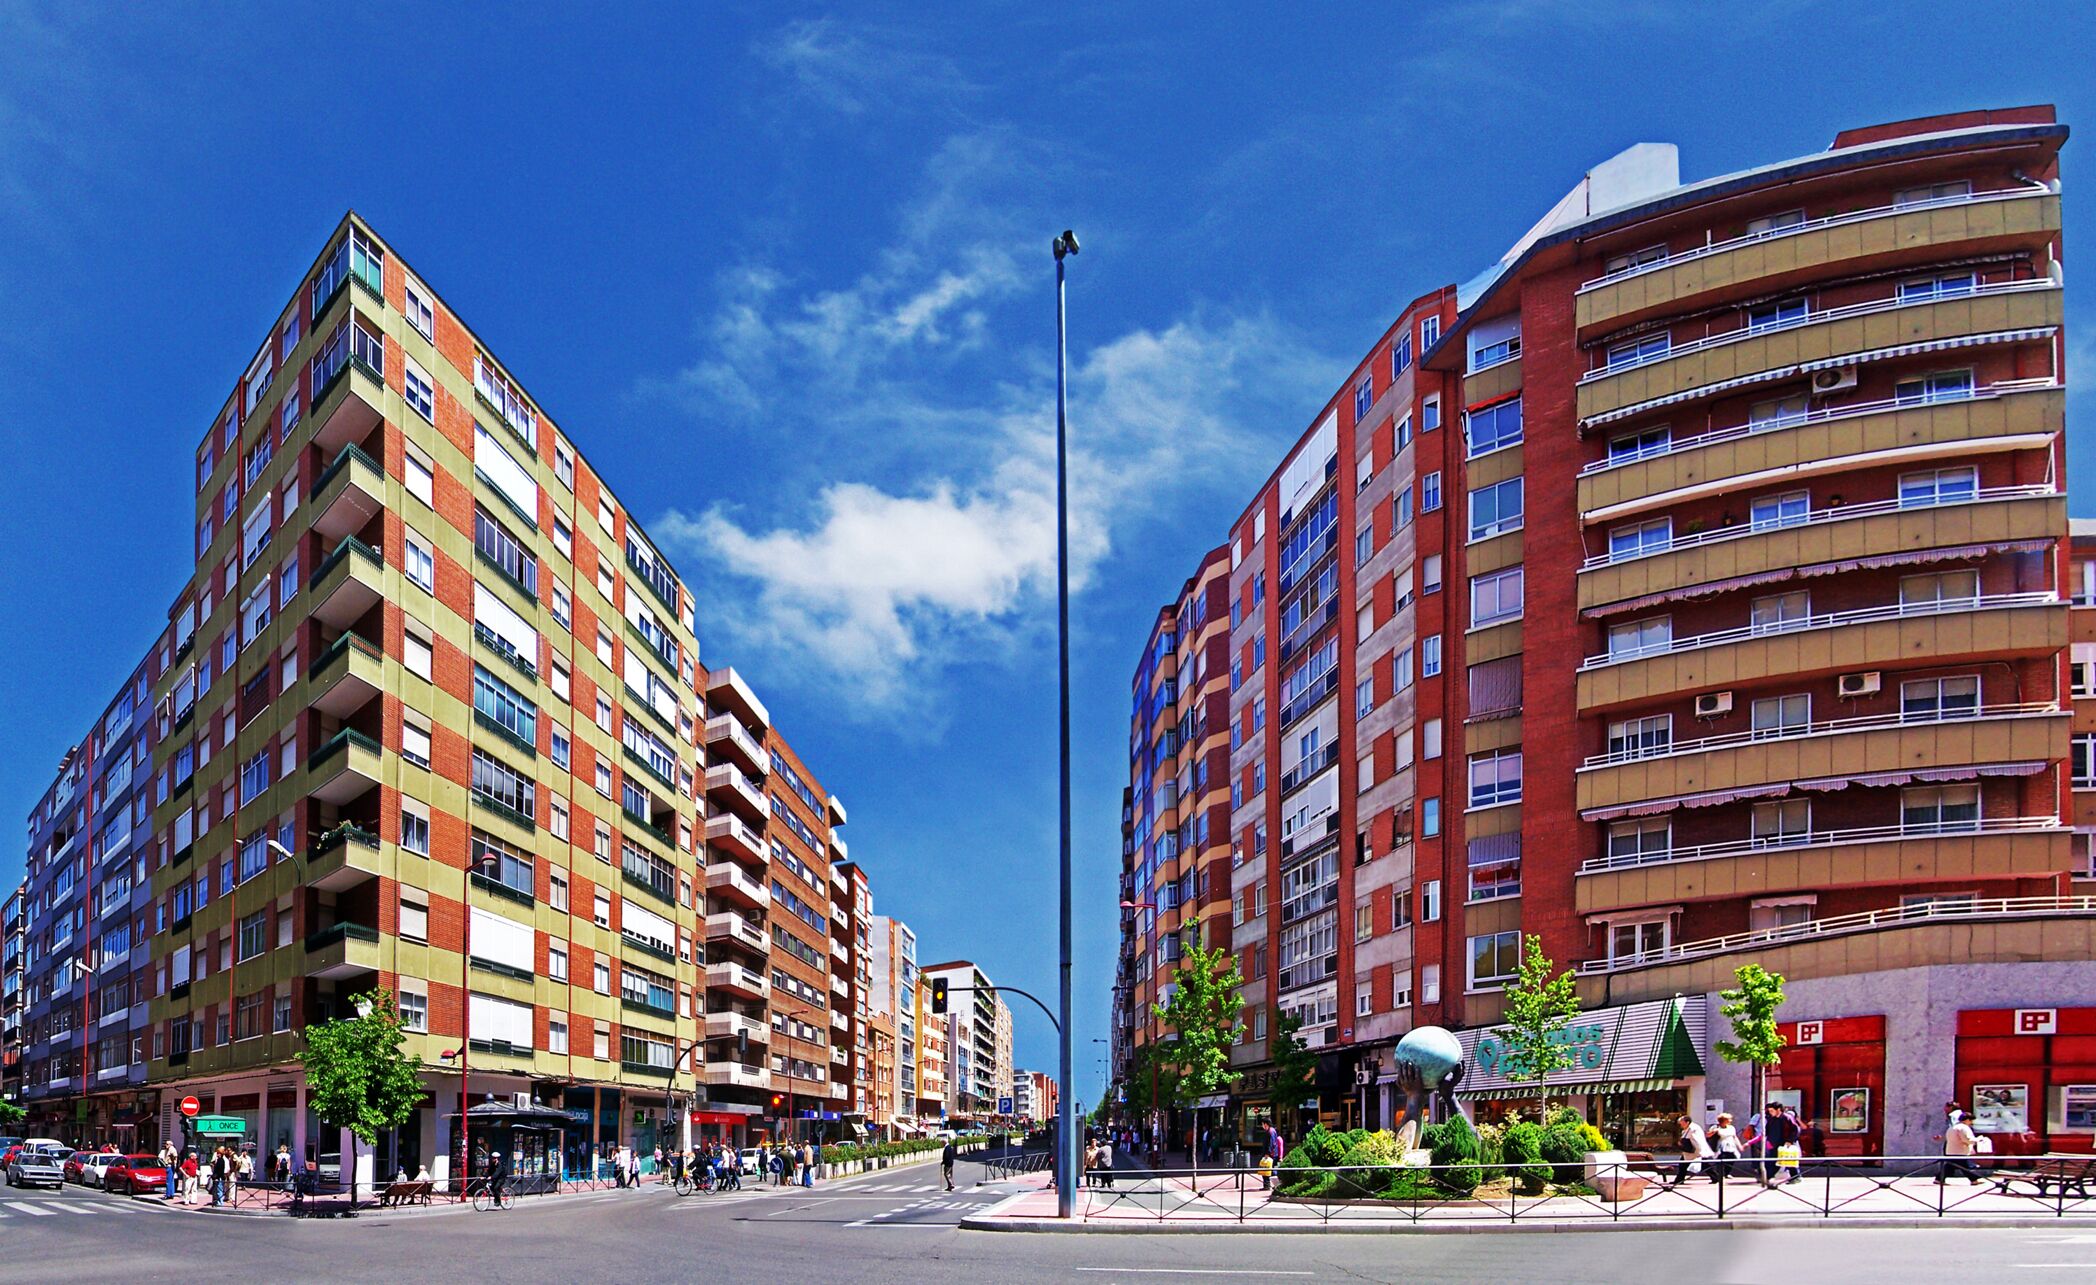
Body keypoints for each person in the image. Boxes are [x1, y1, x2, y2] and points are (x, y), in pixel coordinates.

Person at [1937, 1110, 1985, 1185]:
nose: (1971, 1123)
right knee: (1966, 1167)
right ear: (1967, 1120)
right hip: (1960, 1151)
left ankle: (1939, 1179)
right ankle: (1974, 1180)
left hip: (1951, 1151)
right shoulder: (1964, 1128)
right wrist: (1979, 1139)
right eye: (1971, 1121)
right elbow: (1967, 1140)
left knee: (1950, 1167)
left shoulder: (1952, 1127)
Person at [1668, 1114, 1716, 1186]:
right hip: (1690, 1151)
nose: (1680, 1124)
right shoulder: (1688, 1128)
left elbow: (1697, 1140)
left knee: (1704, 1164)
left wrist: (1699, 1151)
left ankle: (1716, 1177)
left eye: (1681, 1122)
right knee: (1684, 1165)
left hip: (1695, 1151)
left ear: (1687, 1122)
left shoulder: (1693, 1128)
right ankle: (1679, 1180)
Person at [1761, 1103, 1802, 1186]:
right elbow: (1767, 1130)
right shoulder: (1771, 1119)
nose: (1770, 1113)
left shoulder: (1787, 1118)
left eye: (1772, 1111)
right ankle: (1769, 1177)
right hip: (1775, 1143)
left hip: (1785, 1143)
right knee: (1773, 1160)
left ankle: (1796, 1177)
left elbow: (1795, 1129)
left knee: (1788, 1161)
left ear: (1778, 1110)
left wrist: (1790, 1140)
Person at [1708, 1113, 1742, 1180]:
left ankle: (1727, 1173)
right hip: (1721, 1146)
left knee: (1731, 1159)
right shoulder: (1716, 1127)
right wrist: (1713, 1132)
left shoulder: (1731, 1128)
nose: (1731, 1120)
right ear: (1724, 1120)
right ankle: (1719, 1174)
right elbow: (1708, 1135)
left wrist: (1739, 1146)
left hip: (1731, 1145)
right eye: (1729, 1119)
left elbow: (1734, 1137)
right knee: (1720, 1160)